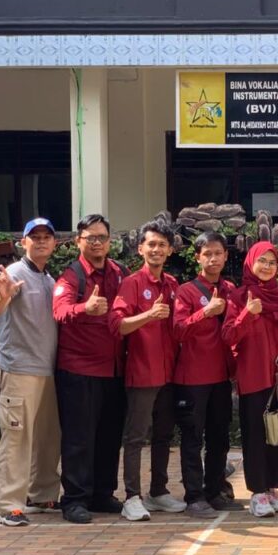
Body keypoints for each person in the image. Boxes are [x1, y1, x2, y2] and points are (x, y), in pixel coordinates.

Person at [52, 214, 129, 524]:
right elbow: (60, 311)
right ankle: (74, 499)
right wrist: (86, 307)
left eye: (102, 238)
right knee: (78, 439)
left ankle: (102, 494)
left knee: (109, 436)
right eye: (90, 238)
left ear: (110, 242)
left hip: (114, 370)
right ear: (78, 242)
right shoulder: (71, 277)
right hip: (78, 370)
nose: (97, 243)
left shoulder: (120, 273)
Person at [223, 241, 278, 518]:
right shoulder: (239, 297)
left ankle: (272, 487)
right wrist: (248, 314)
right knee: (257, 436)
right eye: (262, 261)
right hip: (254, 376)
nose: (267, 267)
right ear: (251, 263)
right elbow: (228, 336)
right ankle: (258, 492)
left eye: (272, 262)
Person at [109, 220, 183, 521]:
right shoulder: (132, 283)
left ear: (170, 251)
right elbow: (118, 326)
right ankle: (131, 496)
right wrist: (149, 315)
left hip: (170, 373)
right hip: (142, 372)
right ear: (140, 248)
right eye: (151, 244)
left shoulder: (173, 284)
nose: (156, 249)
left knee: (164, 434)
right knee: (136, 437)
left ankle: (158, 492)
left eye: (162, 245)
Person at [0, 217, 61, 526]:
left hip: (48, 370)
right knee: (17, 440)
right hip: (19, 370)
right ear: (24, 242)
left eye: (46, 236)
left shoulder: (49, 279)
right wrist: (3, 296)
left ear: (55, 243)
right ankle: (8, 505)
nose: (41, 241)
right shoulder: (15, 273)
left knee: (48, 438)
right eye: (35, 236)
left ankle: (42, 493)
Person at [172, 232, 239, 519]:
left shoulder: (230, 289)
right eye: (207, 253)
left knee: (219, 438)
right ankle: (194, 497)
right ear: (197, 257)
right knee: (192, 439)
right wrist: (206, 312)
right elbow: (177, 330)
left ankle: (214, 491)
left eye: (218, 253)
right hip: (193, 378)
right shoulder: (186, 291)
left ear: (226, 256)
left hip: (221, 377)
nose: (213, 259)